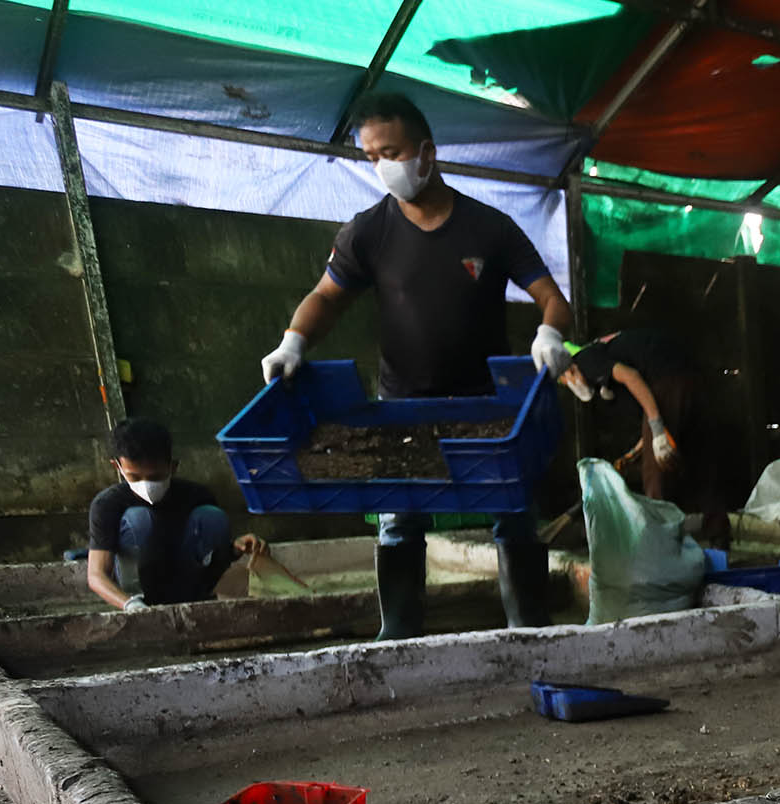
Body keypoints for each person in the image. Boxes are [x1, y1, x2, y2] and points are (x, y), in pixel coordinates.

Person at [259, 89, 575, 638]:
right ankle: (399, 637)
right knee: (399, 524)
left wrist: (550, 333)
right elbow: (326, 297)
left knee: (514, 515)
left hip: (487, 408)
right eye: (372, 156)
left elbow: (552, 296)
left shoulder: (490, 229)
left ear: (427, 152)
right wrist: (292, 342)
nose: (383, 165)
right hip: (402, 408)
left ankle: (530, 630)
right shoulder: (369, 231)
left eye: (392, 151)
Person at [84, 418, 261, 611]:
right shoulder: (107, 504)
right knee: (138, 519)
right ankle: (137, 598)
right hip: (138, 593)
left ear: (172, 466)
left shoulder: (196, 496)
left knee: (212, 517)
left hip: (186, 583)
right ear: (117, 467)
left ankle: (203, 595)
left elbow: (215, 556)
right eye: (134, 476)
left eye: (155, 477)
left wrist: (235, 549)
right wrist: (129, 604)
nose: (146, 484)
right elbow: (96, 575)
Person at [560, 326, 692, 503]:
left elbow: (630, 376)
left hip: (665, 372)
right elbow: (649, 415)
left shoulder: (585, 359)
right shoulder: (604, 361)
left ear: (569, 370)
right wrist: (633, 454)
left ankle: (659, 527)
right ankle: (713, 524)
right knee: (693, 451)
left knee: (655, 468)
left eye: (564, 379)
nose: (568, 383)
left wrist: (657, 429)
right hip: (683, 367)